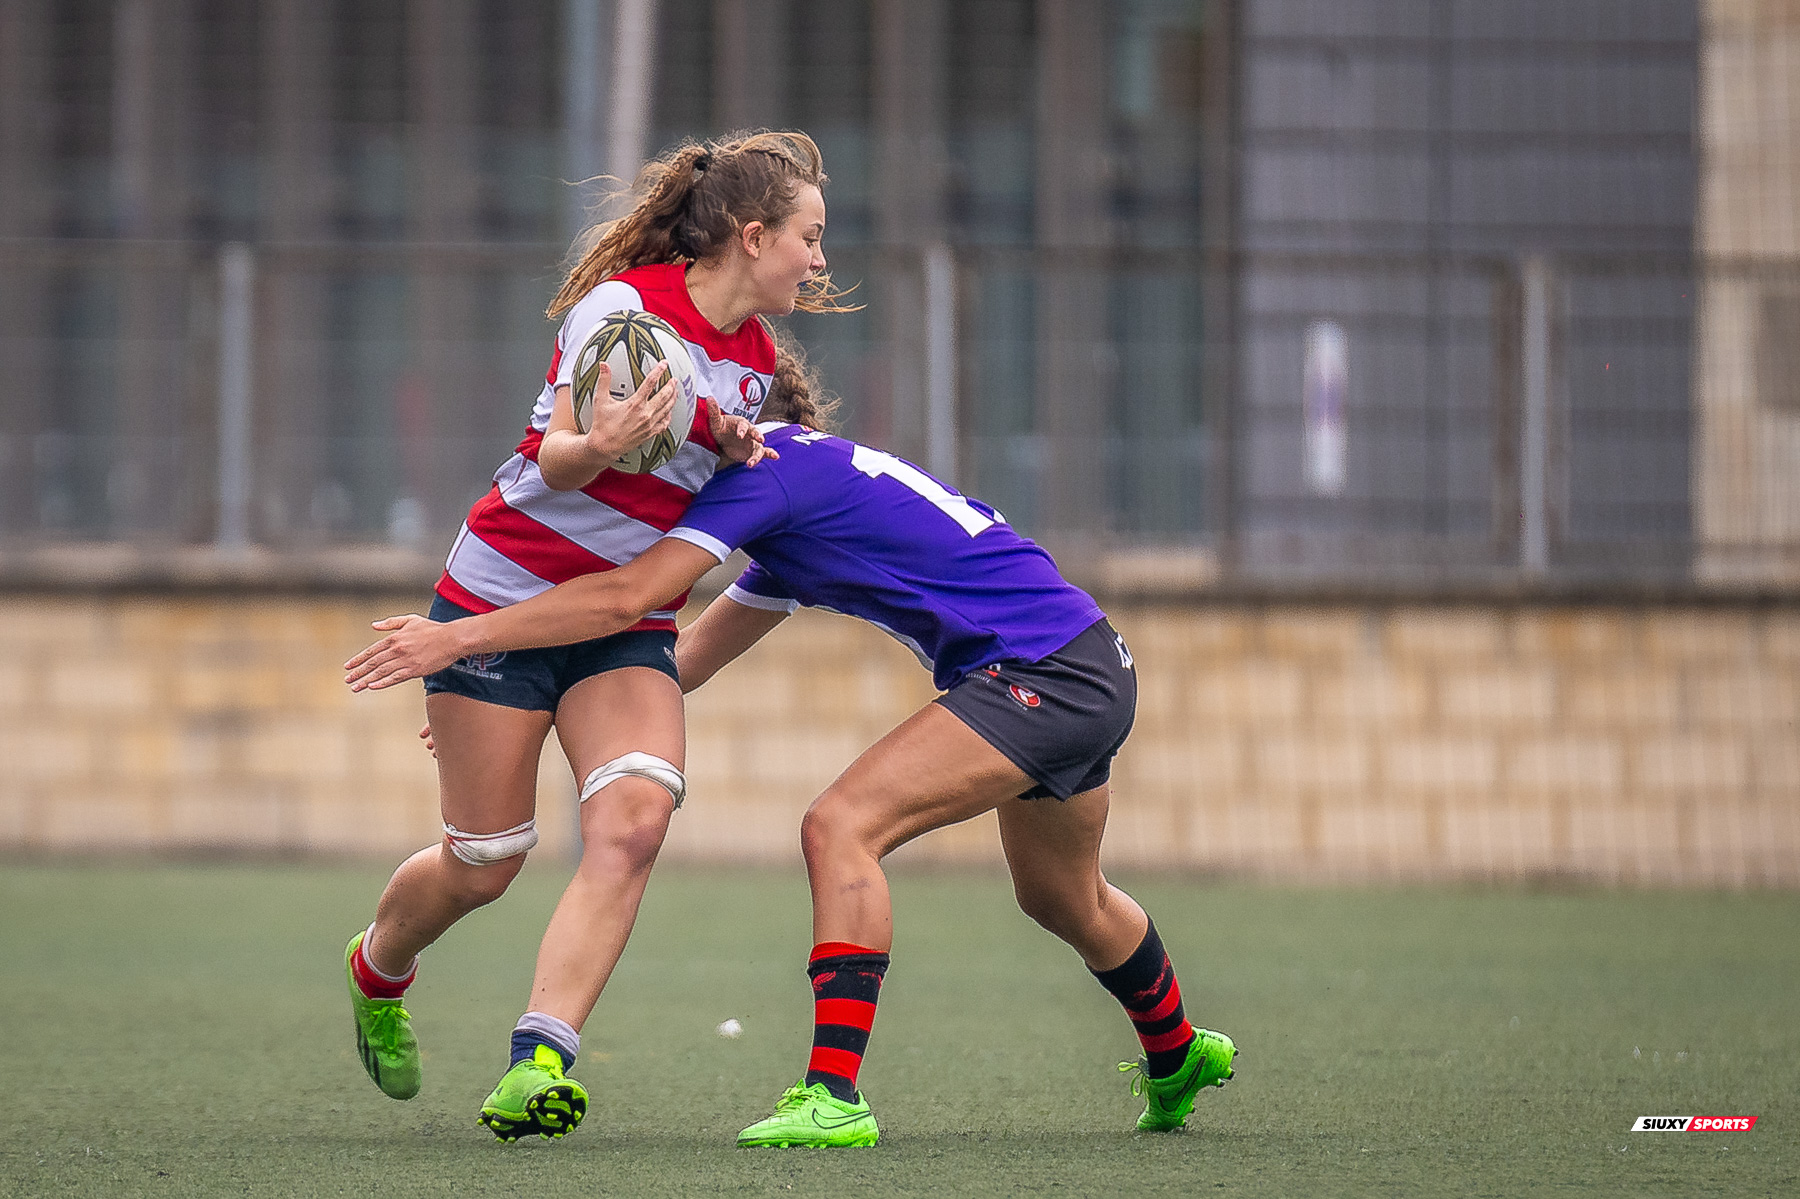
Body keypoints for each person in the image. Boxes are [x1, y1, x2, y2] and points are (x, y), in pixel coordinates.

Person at [343, 376, 1239, 1147]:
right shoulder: (804, 486)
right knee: (1063, 896)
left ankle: (833, 1095)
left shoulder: (762, 474)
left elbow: (630, 596)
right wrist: (510, 708)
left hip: (1039, 673)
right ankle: (1177, 1049)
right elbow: (681, 661)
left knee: (841, 826)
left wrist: (461, 641)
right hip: (1090, 660)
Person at [341, 129, 851, 1143]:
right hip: (500, 597)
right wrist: (600, 443)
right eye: (810, 236)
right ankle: (377, 966)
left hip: (625, 621)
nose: (820, 258)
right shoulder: (620, 313)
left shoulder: (754, 363)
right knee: (486, 859)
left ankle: (539, 1060)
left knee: (635, 820)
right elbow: (560, 460)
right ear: (753, 237)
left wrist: (729, 446)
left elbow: (691, 474)